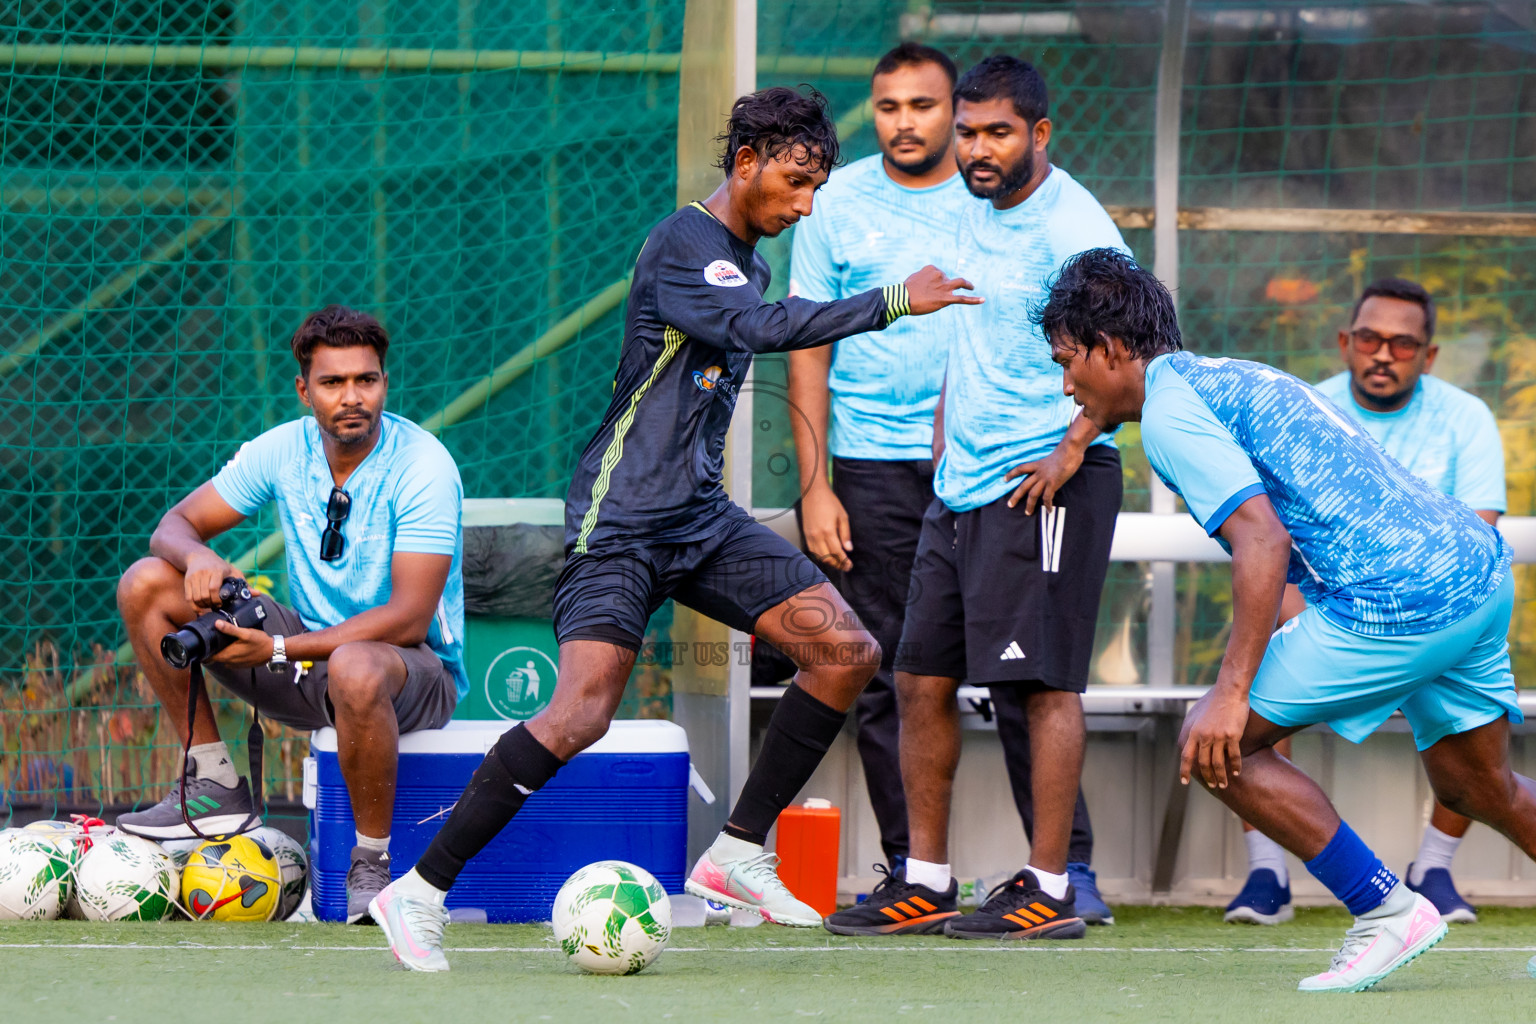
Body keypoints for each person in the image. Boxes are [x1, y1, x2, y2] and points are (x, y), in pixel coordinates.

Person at [368, 85, 981, 972]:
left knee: (847, 653)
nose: (805, 205)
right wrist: (893, 300)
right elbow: (756, 328)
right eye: (798, 183)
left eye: (818, 188)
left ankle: (735, 852)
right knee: (580, 714)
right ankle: (418, 891)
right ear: (747, 163)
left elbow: (751, 318)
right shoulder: (682, 245)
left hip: (698, 522)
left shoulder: (748, 257)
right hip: (621, 524)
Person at [1039, 246, 1536, 993]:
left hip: (1399, 598)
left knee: (1219, 744)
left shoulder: (1174, 416)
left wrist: (1230, 692)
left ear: (1111, 350)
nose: (1065, 380)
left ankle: (1386, 911)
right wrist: (1079, 439)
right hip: (1477, 573)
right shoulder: (1222, 375)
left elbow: (1261, 539)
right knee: (1478, 786)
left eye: (1067, 360)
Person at [830, 55, 1124, 941]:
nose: (978, 149)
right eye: (969, 131)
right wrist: (947, 434)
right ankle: (924, 879)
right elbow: (979, 331)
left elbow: (1136, 356)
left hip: (1045, 486)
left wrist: (1073, 447)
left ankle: (1049, 884)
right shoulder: (965, 205)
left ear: (1040, 133)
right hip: (958, 488)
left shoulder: (1077, 228)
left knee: (1039, 689)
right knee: (918, 677)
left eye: (998, 132)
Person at [115, 305, 467, 924]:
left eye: (367, 380)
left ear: (385, 382)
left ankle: (371, 865)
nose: (352, 397)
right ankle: (213, 782)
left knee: (356, 665)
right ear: (305, 390)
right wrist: (200, 559)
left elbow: (410, 618)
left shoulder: (425, 465)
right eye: (333, 383)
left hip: (410, 671)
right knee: (146, 584)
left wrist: (279, 650)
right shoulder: (282, 449)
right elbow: (172, 525)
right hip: (304, 655)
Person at [1226, 277, 1505, 927]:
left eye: (1403, 345)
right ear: (1345, 342)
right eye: (1371, 339)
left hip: (1435, 614)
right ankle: (1268, 876)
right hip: (1333, 614)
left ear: (1429, 357)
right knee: (1234, 703)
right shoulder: (1303, 408)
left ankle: (1432, 869)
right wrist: (1301, 622)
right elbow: (1273, 539)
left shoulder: (1466, 417)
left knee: (1482, 776)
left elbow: (1479, 533)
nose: (1384, 354)